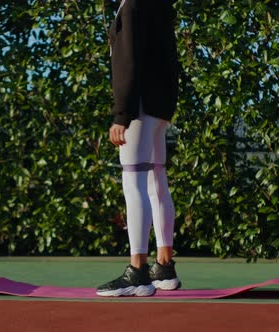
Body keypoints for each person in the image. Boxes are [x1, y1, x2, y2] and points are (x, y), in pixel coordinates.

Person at [97, 0, 180, 297]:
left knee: (134, 183)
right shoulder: (158, 5)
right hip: (159, 106)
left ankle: (138, 273)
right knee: (158, 182)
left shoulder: (131, 6)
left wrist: (122, 115)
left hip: (140, 108)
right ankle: (163, 267)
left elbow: (129, 62)